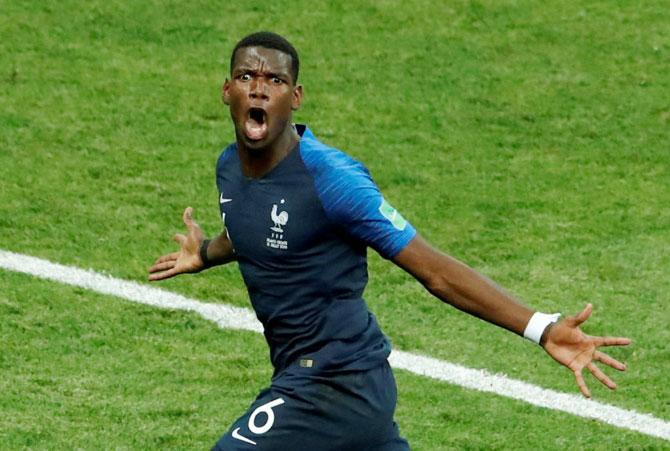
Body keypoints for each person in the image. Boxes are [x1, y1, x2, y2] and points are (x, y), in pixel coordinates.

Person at [148, 31, 631, 450]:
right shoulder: (229, 168)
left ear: (295, 98)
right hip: (338, 385)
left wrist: (541, 328)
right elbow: (256, 228)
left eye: (274, 80)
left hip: (334, 382)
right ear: (227, 90)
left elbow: (436, 271)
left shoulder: (333, 181)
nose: (259, 87)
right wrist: (207, 252)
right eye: (247, 76)